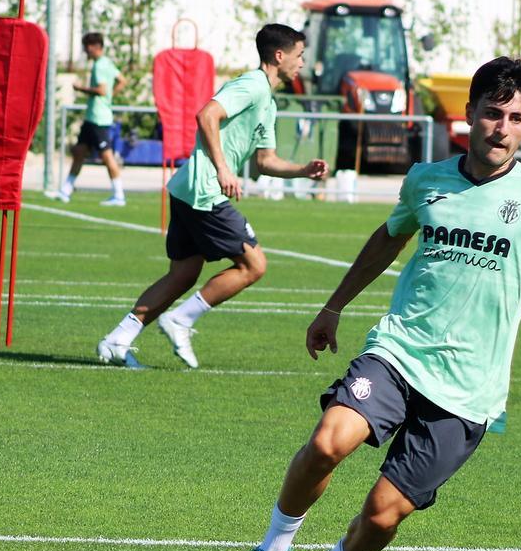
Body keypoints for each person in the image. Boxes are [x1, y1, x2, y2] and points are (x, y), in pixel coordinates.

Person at [209, 57, 521, 551]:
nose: (503, 127)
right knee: (326, 442)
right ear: (470, 114)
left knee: (384, 512)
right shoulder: (426, 181)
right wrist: (334, 306)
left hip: (468, 389)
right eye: (493, 113)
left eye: (516, 118)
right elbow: (388, 239)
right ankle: (271, 550)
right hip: (399, 352)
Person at [95, 24, 328, 369]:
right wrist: (222, 168)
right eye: (300, 56)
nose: (302, 63)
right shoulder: (251, 85)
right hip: (204, 189)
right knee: (254, 265)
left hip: (190, 188)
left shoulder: (268, 100)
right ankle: (180, 320)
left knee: (184, 275)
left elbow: (265, 161)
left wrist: (303, 170)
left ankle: (117, 339)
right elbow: (207, 115)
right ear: (280, 56)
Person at [47, 33, 127, 206]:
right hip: (93, 118)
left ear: (93, 46)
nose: (84, 51)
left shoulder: (99, 66)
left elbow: (101, 90)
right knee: (79, 153)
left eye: (85, 47)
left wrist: (80, 88)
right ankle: (65, 191)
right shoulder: (107, 62)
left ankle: (119, 194)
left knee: (107, 156)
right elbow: (122, 80)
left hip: (99, 119)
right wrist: (110, 98)